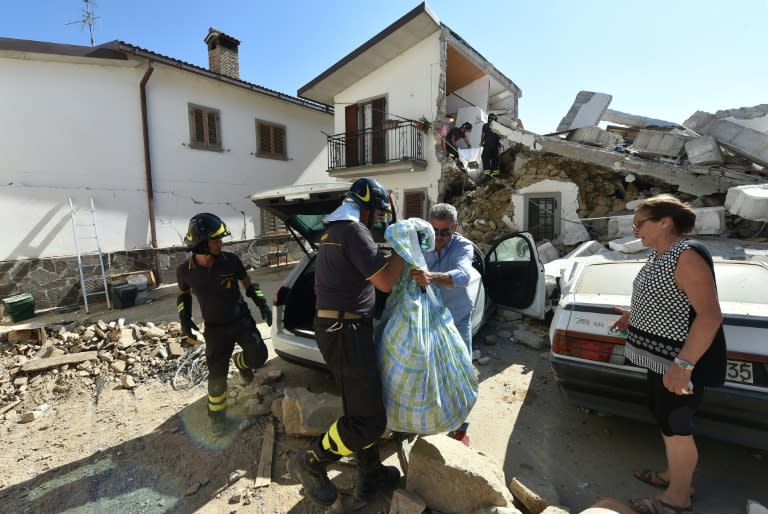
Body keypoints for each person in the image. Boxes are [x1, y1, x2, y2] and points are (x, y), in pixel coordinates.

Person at [287, 177, 405, 508]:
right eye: (378, 212)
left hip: (342, 328)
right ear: (365, 208)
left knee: (360, 408)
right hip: (345, 331)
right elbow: (384, 281)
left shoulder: (336, 230)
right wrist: (405, 250)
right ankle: (310, 461)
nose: (379, 219)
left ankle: (370, 473)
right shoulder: (352, 231)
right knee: (369, 421)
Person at [610, 195, 726, 514]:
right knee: (666, 420)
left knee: (677, 427)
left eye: (640, 223)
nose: (636, 231)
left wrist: (683, 365)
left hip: (679, 364)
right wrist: (636, 315)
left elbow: (710, 316)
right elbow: (670, 300)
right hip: (661, 361)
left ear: (666, 222)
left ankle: (677, 501)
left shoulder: (686, 254)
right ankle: (675, 478)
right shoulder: (660, 254)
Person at [176, 212, 272, 436]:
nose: (221, 244)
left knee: (260, 357)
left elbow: (248, 284)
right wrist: (184, 318)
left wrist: (262, 304)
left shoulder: (231, 261)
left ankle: (241, 361)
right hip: (215, 329)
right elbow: (184, 294)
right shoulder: (185, 271)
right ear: (201, 243)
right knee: (217, 374)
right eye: (216, 240)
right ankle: (217, 418)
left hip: (241, 320)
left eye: (221, 239)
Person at [410, 203, 476, 444]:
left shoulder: (463, 246)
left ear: (455, 228)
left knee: (462, 371)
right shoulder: (419, 242)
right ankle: (422, 420)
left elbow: (464, 275)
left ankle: (460, 429)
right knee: (425, 370)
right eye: (434, 231)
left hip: (457, 317)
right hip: (427, 319)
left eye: (445, 232)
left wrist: (432, 277)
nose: (438, 237)